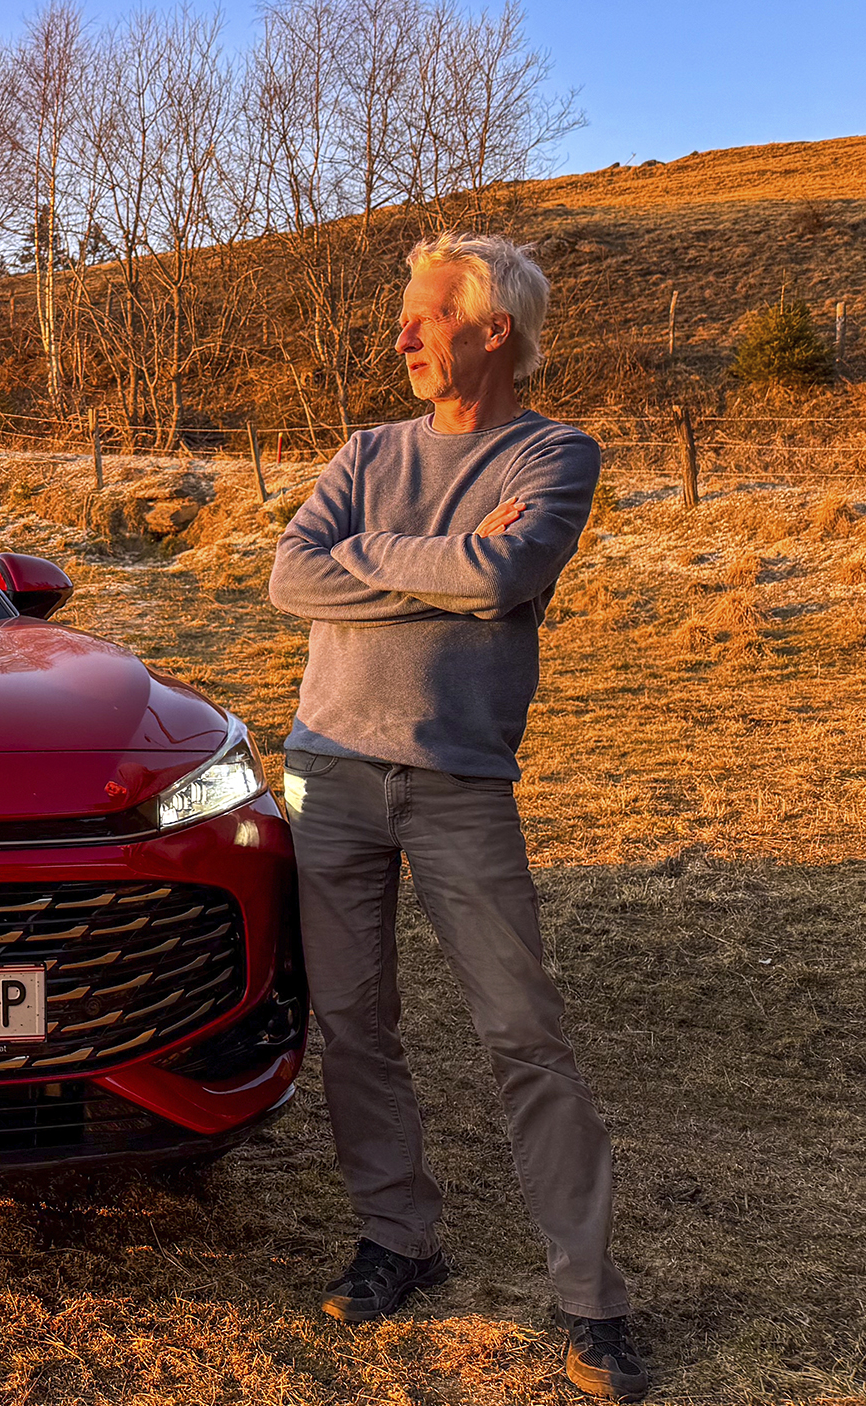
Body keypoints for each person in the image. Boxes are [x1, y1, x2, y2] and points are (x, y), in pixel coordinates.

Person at [267, 232, 649, 1402]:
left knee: (522, 1032)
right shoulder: (367, 448)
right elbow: (290, 575)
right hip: (328, 773)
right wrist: (433, 556)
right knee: (353, 1023)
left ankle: (590, 1298)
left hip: (457, 783)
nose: (401, 338)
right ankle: (398, 1235)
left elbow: (505, 575)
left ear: (492, 330)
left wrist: (368, 555)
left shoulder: (556, 450)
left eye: (423, 318)